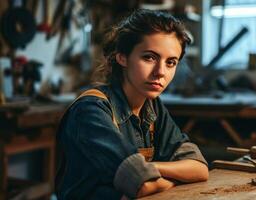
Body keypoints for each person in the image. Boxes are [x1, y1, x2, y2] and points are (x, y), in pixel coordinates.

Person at [55, 9, 209, 200]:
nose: (160, 72)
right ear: (122, 57)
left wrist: (151, 168)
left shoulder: (153, 107)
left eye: (171, 62)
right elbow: (141, 186)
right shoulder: (91, 110)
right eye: (149, 57)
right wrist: (175, 178)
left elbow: (199, 168)